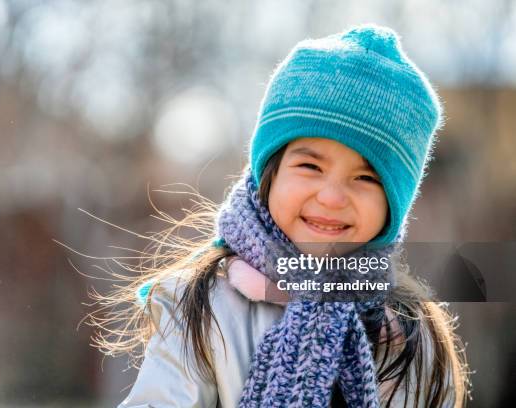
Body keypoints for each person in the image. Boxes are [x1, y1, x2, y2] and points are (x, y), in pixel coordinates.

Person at [93, 24, 469, 407]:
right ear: (269, 173)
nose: (332, 196)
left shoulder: (410, 335)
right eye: (310, 166)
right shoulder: (202, 308)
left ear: (393, 206)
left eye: (365, 178)